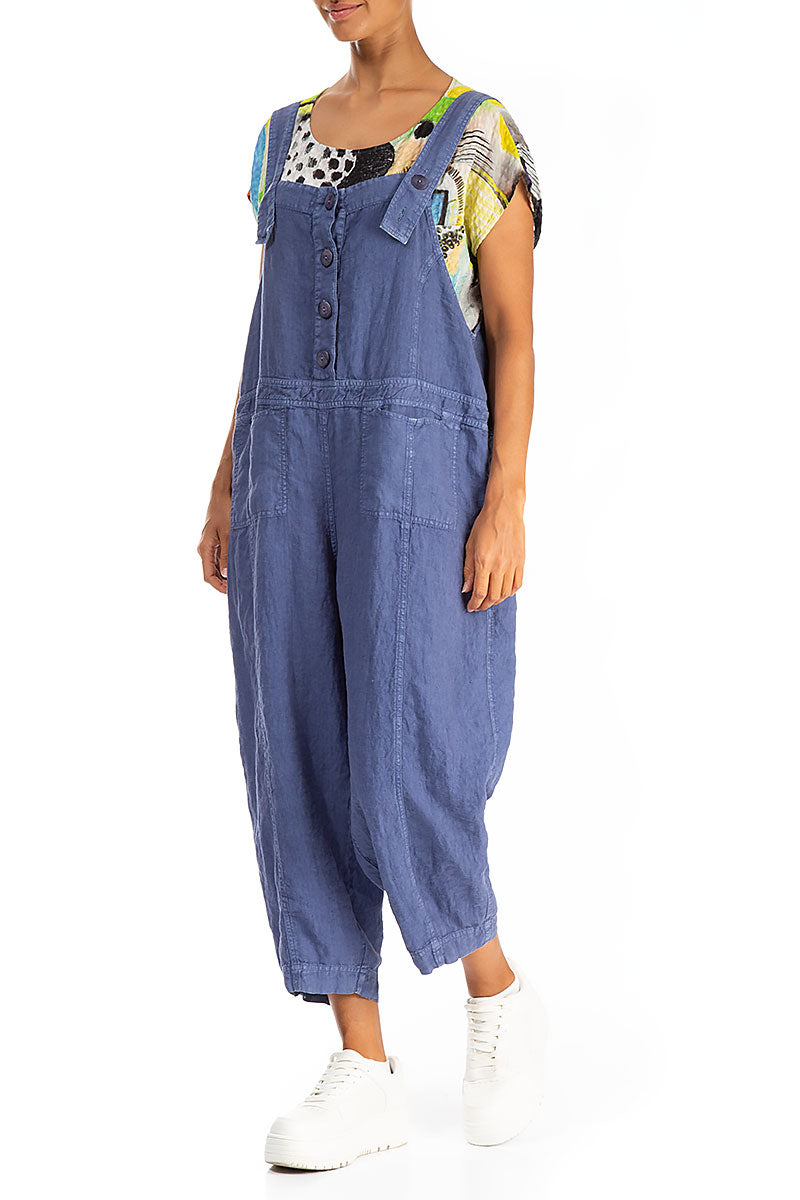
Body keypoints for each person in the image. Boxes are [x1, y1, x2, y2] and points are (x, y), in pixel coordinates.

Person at [197, 0, 545, 1170]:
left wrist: (505, 499)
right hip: (285, 464)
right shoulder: (282, 136)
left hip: (417, 468)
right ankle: (362, 1063)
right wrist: (227, 479)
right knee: (294, 747)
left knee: (406, 746)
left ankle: (494, 992)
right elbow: (268, 323)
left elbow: (512, 336)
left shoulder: (478, 133)